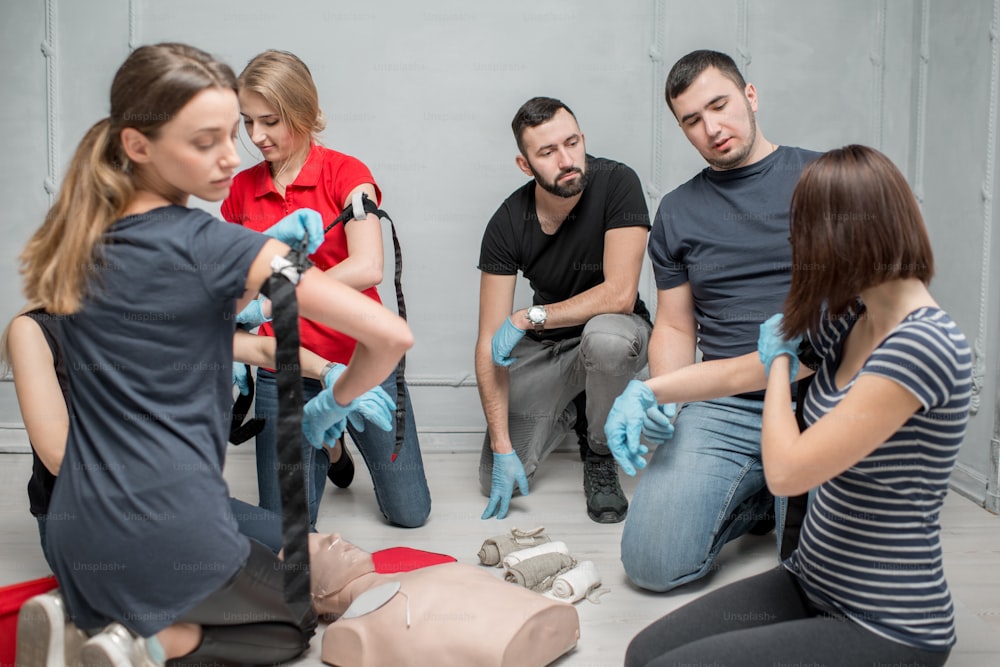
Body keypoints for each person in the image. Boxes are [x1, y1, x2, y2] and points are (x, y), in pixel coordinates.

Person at [15, 43, 412, 666]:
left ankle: (90, 618)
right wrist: (333, 397)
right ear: (139, 147)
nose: (235, 153)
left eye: (235, 132)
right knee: (294, 624)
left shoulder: (82, 247)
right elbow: (391, 336)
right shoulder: (217, 242)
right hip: (171, 528)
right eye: (207, 141)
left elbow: (194, 333)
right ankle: (148, 643)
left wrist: (265, 325)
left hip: (74, 533)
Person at [618, 144, 969, 667]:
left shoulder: (922, 345)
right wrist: (650, 390)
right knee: (642, 653)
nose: (799, 249)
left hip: (885, 621)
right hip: (810, 578)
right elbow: (742, 369)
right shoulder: (856, 316)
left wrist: (780, 364)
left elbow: (786, 473)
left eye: (805, 234)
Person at [616, 50, 821, 590]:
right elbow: (678, 326)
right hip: (725, 401)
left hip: (818, 394)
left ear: (750, 96)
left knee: (811, 572)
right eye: (692, 120)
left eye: (720, 105)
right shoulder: (679, 211)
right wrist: (666, 395)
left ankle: (776, 498)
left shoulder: (824, 178)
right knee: (650, 564)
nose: (712, 128)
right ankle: (756, 498)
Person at [221, 49, 430, 530]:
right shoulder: (240, 191)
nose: (256, 137)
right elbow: (232, 284)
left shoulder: (346, 174)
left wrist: (280, 289)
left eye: (270, 121)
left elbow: (369, 266)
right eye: (248, 122)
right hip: (284, 369)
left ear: (303, 111)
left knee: (411, 514)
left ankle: (336, 441)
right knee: (283, 528)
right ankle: (332, 447)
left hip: (362, 362)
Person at [0, 309, 356, 562]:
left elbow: (260, 349)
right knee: (240, 582)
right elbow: (58, 456)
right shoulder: (34, 330)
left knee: (316, 553)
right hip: (87, 518)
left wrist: (329, 373)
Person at [476, 96, 652, 524]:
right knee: (490, 476)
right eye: (548, 152)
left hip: (617, 331)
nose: (567, 159)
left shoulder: (617, 182)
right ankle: (576, 405)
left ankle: (598, 449)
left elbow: (620, 295)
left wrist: (527, 317)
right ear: (525, 164)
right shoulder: (508, 221)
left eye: (572, 143)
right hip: (549, 348)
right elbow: (487, 343)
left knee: (605, 339)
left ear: (583, 139)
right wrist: (501, 445)